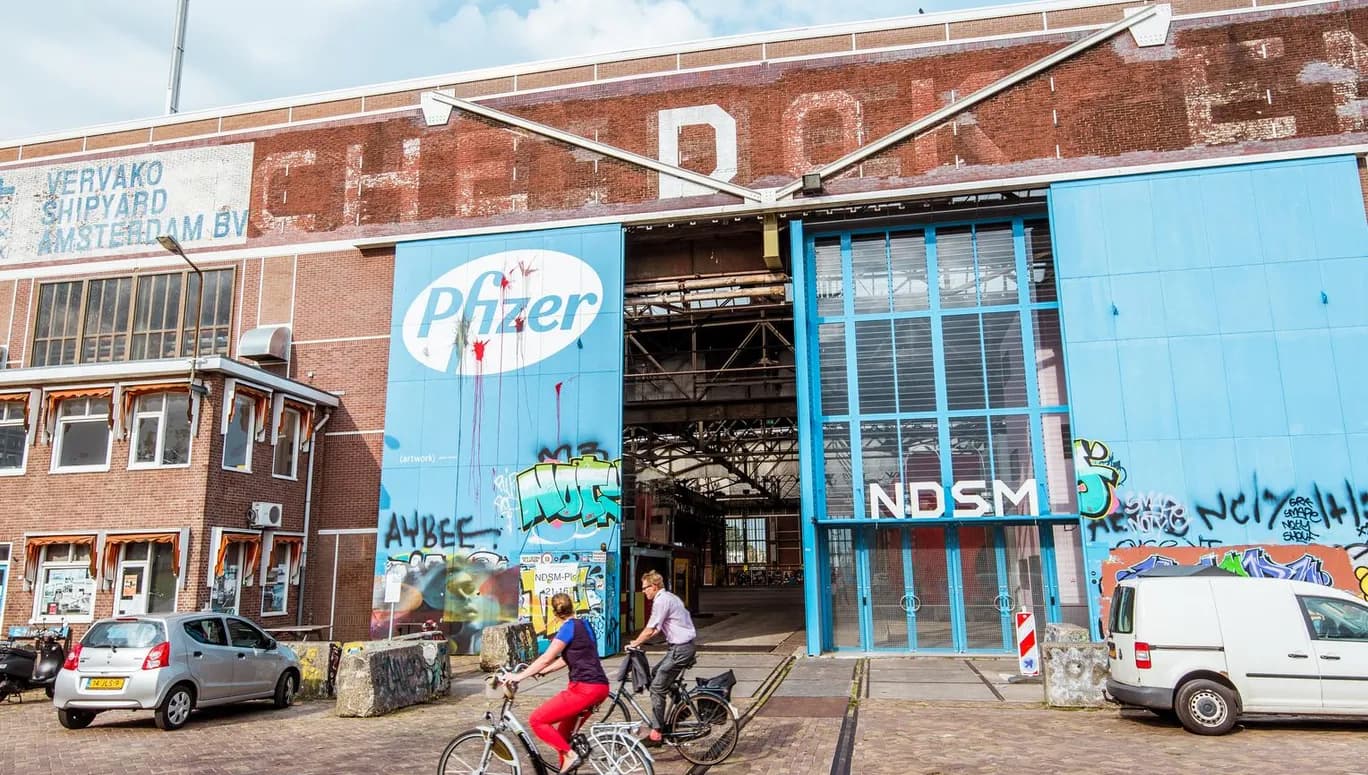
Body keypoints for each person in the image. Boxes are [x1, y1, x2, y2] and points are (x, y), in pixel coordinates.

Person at [504, 593, 609, 774]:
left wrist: (519, 676)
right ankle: (567, 761)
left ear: (554, 613)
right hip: (601, 687)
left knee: (537, 720)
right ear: (572, 607)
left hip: (584, 688)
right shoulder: (584, 624)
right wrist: (546, 670)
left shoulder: (568, 628)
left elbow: (546, 657)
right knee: (562, 736)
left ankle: (570, 756)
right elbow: (570, 657)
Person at [625, 570, 697, 746]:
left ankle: (657, 732)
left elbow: (650, 629)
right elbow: (656, 629)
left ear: (655, 586)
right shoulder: (669, 597)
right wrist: (639, 641)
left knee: (657, 688)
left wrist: (635, 643)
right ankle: (681, 708)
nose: (643, 591)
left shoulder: (662, 600)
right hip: (680, 648)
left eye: (645, 588)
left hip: (681, 649)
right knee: (656, 673)